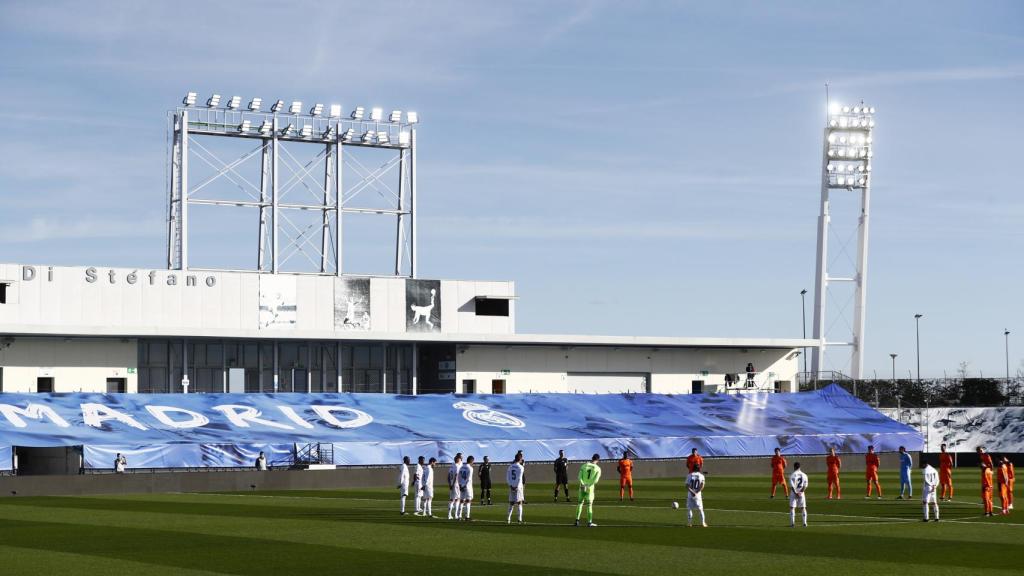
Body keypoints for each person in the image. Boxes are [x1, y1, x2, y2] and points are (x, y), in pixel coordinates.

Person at [575, 454, 602, 527]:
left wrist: (583, 484)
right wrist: (588, 485)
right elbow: (595, 481)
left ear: (592, 458)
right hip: (590, 489)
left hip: (582, 487)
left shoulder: (584, 466)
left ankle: (577, 521)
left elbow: (579, 477)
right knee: (589, 505)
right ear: (598, 460)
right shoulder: (598, 468)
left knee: (580, 503)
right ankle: (589, 522)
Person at [686, 463, 707, 527]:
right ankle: (703, 523)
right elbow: (702, 485)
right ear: (699, 469)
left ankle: (689, 523)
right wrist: (696, 492)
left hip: (690, 494)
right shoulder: (701, 476)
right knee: (700, 509)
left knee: (689, 509)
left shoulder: (689, 475)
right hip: (698, 495)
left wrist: (692, 492)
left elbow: (687, 486)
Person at [507, 453, 526, 524]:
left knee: (511, 503)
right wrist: (516, 487)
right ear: (520, 459)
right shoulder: (521, 467)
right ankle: (519, 519)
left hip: (511, 486)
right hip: (518, 487)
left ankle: (508, 518)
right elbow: (519, 478)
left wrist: (510, 485)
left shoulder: (510, 467)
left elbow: (507, 477)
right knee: (519, 502)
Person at [789, 462, 809, 527]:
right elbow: (805, 486)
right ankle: (804, 523)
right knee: (803, 507)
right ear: (800, 467)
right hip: (801, 493)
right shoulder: (804, 475)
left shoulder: (792, 475)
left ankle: (792, 524)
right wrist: (801, 492)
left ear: (794, 467)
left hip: (793, 493)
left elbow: (792, 486)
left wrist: (796, 493)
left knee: (792, 507)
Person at [921, 457, 940, 522]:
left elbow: (926, 480)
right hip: (934, 488)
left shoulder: (924, 470)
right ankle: (937, 517)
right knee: (934, 503)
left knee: (925, 502)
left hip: (928, 487)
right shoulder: (934, 470)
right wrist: (935, 486)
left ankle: (926, 518)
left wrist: (931, 486)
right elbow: (938, 479)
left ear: (925, 464)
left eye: (922, 465)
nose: (922, 466)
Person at [458, 455, 475, 520]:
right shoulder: (470, 468)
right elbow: (468, 479)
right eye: (473, 461)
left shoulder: (462, 467)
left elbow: (459, 477)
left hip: (461, 485)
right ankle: (467, 516)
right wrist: (464, 485)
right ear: (471, 461)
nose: (473, 462)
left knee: (462, 501)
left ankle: (459, 516)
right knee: (468, 500)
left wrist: (460, 485)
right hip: (467, 486)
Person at [447, 453, 463, 520]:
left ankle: (449, 515)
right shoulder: (457, 466)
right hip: (456, 485)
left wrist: (450, 484)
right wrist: (453, 484)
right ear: (458, 459)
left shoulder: (451, 466)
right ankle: (456, 515)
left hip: (452, 484)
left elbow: (448, 476)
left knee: (451, 500)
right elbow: (456, 476)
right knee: (457, 499)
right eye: (460, 459)